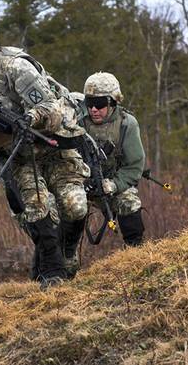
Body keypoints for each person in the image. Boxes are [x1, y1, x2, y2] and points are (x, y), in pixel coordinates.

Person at [0, 12, 89, 288]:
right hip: (18, 156)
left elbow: (52, 110)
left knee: (75, 207)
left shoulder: (16, 68)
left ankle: (67, 251)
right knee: (37, 209)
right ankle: (53, 273)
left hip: (52, 146)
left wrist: (30, 118)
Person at [61, 72, 146, 278]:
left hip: (112, 184)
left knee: (130, 203)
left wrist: (113, 185)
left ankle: (136, 259)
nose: (93, 109)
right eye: (89, 103)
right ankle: (66, 264)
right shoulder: (76, 120)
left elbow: (134, 167)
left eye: (99, 104)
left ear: (113, 102)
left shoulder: (127, 124)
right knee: (72, 207)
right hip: (80, 181)